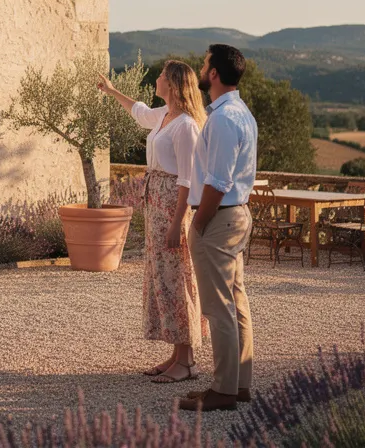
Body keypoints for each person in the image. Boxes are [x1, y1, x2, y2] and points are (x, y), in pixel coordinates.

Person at [99, 60, 210, 384]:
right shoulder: (163, 116)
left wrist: (177, 223)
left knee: (178, 279)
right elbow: (138, 111)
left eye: (161, 75)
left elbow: (187, 181)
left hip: (172, 208)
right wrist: (111, 90)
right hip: (156, 205)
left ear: (173, 84)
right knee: (162, 279)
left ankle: (187, 361)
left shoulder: (187, 125)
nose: (157, 78)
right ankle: (177, 354)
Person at [179, 44, 259, 412]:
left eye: (204, 62)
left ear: (213, 74)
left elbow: (217, 181)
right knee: (236, 303)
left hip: (219, 216)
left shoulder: (225, 119)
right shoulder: (241, 114)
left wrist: (198, 221)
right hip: (235, 215)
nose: (200, 65)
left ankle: (223, 390)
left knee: (219, 307)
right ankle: (238, 385)